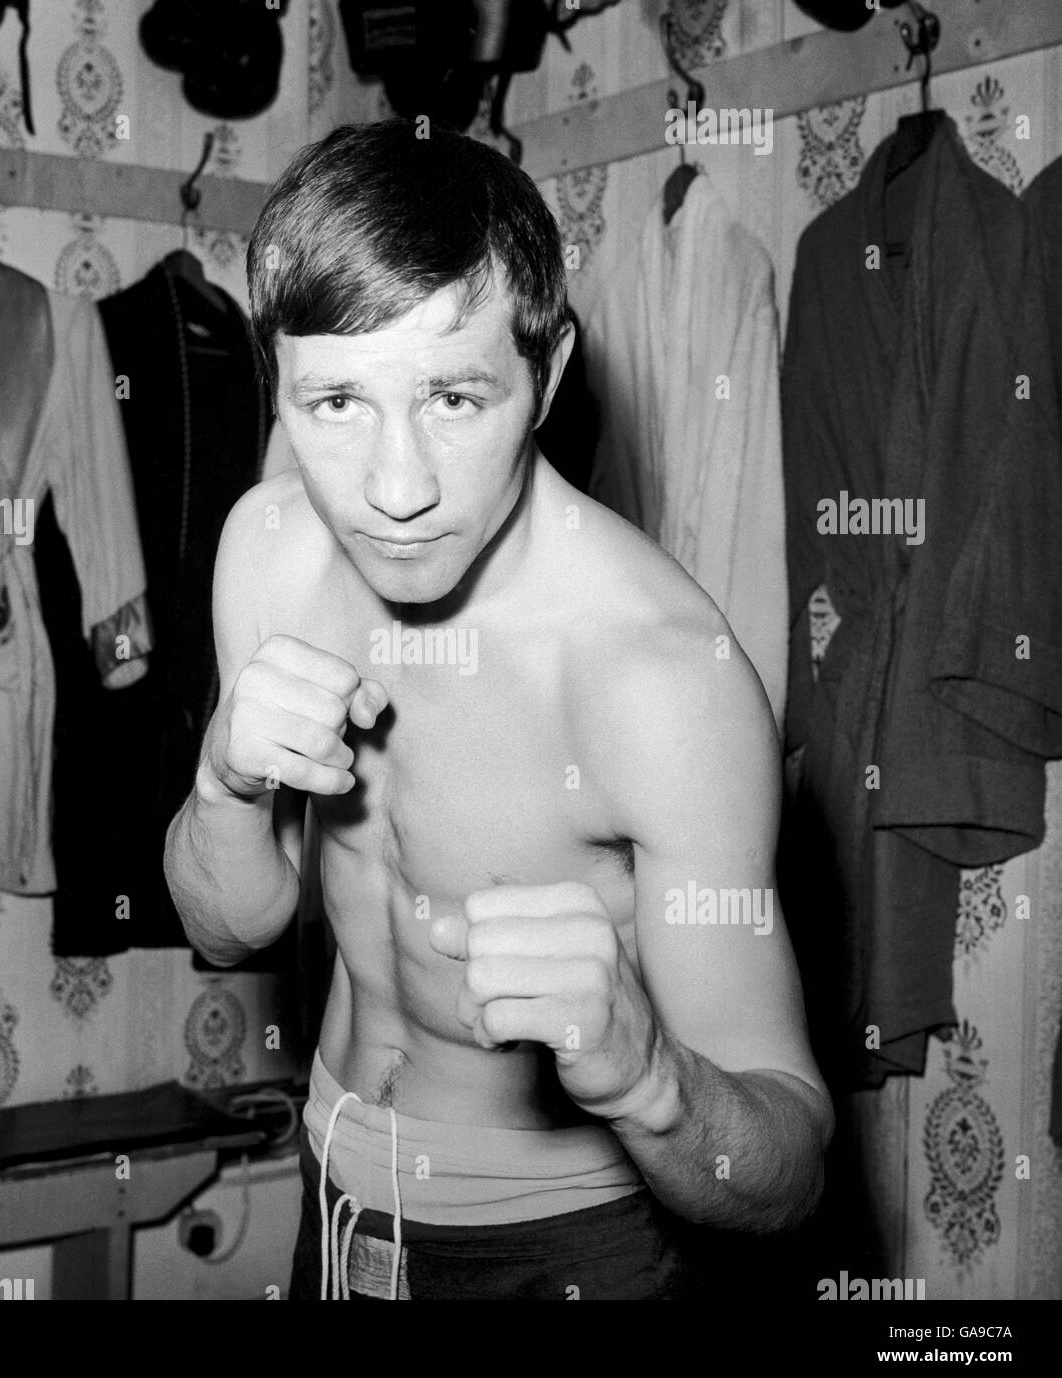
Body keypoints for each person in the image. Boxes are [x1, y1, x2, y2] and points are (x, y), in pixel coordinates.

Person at [164, 118, 833, 1300]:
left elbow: (787, 1174)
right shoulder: (265, 553)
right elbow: (229, 930)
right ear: (279, 380)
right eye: (335, 405)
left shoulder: (659, 677)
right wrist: (223, 786)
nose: (395, 487)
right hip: (336, 1200)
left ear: (548, 375)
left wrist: (648, 1079)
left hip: (570, 1246)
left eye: (454, 397)